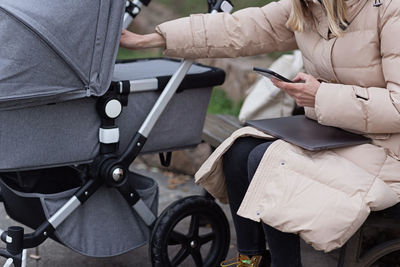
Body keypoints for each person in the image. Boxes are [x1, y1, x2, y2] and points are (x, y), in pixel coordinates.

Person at [120, 0, 400, 266]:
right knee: (239, 150)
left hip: (388, 151)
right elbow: (240, 28)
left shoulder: (389, 10)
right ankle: (249, 260)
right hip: (337, 133)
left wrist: (321, 95)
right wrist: (152, 38)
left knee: (269, 162)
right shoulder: (307, 8)